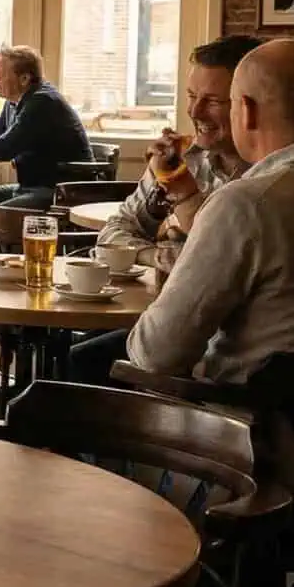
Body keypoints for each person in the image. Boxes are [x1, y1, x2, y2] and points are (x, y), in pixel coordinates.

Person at [126, 39, 294, 382]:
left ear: (247, 110)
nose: (194, 112)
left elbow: (155, 353)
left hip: (241, 424)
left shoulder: (245, 205)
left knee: (67, 383)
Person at [69, 35, 264, 385]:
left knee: (80, 361)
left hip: (224, 346)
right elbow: (112, 235)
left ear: (245, 106)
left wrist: (176, 232)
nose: (194, 112)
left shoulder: (265, 183)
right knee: (70, 351)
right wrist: (162, 254)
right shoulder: (179, 159)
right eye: (191, 97)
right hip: (165, 319)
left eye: (212, 100)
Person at [0, 46, 92, 250]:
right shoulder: (15, 102)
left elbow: (1, 149)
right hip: (30, 186)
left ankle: (0, 267)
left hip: (59, 191)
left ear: (24, 79)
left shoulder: (42, 102)